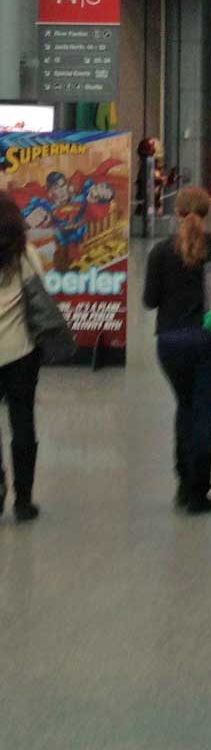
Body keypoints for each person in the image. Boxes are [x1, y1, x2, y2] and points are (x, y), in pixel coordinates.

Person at [142, 186, 211, 515]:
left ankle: (182, 483)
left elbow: (150, 301)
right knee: (204, 412)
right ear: (208, 212)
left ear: (176, 215)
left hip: (172, 344)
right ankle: (198, 492)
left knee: (185, 406)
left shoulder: (160, 252)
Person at [0, 194, 43, 521]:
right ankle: (24, 499)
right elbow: (40, 293)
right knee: (23, 422)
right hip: (21, 351)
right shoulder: (26, 256)